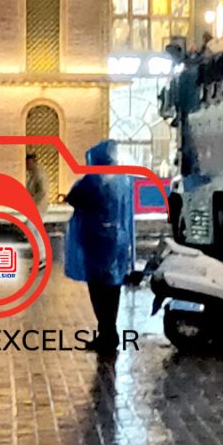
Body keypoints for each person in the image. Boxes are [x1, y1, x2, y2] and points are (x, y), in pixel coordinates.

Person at [62, 140, 135, 357]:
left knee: (98, 290)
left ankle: (106, 335)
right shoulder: (123, 179)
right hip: (117, 241)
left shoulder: (94, 180)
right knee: (113, 289)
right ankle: (109, 333)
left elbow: (75, 197)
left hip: (96, 242)